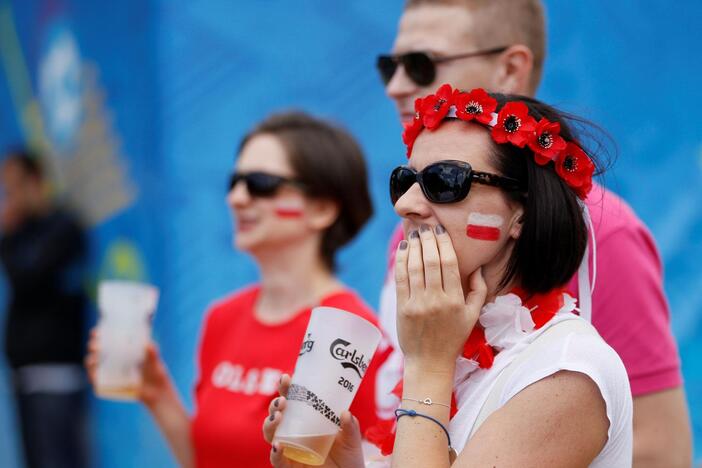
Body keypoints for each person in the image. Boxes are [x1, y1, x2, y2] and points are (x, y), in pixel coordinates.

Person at [374, 1, 691, 465]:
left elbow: (662, 449)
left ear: (510, 67)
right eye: (403, 181)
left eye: (421, 64)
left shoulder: (605, 237)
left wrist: (427, 369)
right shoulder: (422, 235)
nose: (397, 87)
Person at [265, 84, 633, 466]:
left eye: (444, 182)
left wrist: (427, 365)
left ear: (521, 213)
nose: (406, 205)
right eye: (403, 181)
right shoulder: (459, 354)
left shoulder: (568, 369)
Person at [86, 111, 381, 468]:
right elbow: (208, 459)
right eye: (235, 182)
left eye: (260, 183)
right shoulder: (222, 317)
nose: (237, 198)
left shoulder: (352, 333)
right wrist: (156, 393)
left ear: (321, 209)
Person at [0, 150, 89, 468]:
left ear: (34, 182)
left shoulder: (63, 227)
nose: (7, 199)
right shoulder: (22, 233)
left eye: (11, 188)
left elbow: (26, 275)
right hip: (25, 377)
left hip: (57, 379)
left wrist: (8, 233)